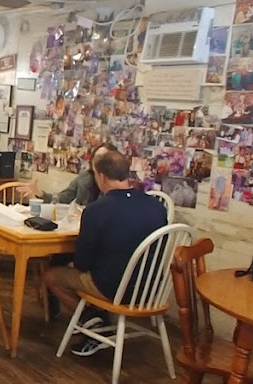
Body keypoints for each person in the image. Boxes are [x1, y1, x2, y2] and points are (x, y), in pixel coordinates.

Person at [42, 148, 167, 356]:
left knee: (51, 275)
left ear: (101, 176)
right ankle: (94, 317)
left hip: (113, 288)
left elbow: (82, 263)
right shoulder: (157, 207)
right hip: (151, 288)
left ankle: (90, 320)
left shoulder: (96, 211)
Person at [31, 142, 113, 206]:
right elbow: (63, 198)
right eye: (97, 157)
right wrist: (41, 194)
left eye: (104, 158)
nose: (99, 162)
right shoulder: (84, 177)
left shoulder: (114, 184)